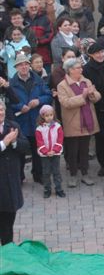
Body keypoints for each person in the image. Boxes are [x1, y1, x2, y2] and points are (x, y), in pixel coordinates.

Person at [57, 58, 101, 187]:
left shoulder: (86, 81)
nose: (81, 70)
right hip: (72, 122)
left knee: (84, 149)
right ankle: (72, 175)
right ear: (70, 70)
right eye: (78, 68)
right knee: (72, 150)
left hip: (87, 120)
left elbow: (97, 97)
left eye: (81, 67)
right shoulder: (62, 85)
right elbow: (66, 103)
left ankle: (85, 173)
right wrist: (83, 97)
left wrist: (92, 94)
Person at [10, 54, 52, 184]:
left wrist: (38, 101)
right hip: (20, 123)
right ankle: (20, 177)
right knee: (20, 152)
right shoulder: (11, 83)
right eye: (20, 65)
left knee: (37, 150)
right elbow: (7, 102)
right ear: (16, 67)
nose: (24, 67)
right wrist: (19, 106)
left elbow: (48, 95)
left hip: (36, 120)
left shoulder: (38, 80)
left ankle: (38, 175)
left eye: (26, 64)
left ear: (29, 65)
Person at [82, 42, 104, 184]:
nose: (100, 55)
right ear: (91, 55)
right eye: (97, 53)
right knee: (100, 137)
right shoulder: (87, 69)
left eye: (102, 51)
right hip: (97, 105)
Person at [0, 101, 30, 245]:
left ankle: (7, 253)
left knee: (8, 225)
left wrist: (14, 142)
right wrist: (4, 143)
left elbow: (26, 147)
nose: (0, 113)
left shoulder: (13, 126)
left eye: (1, 109)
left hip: (10, 183)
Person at [35, 104, 65, 198]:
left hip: (55, 153)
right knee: (46, 172)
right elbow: (39, 142)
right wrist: (46, 151)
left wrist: (54, 150)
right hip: (45, 155)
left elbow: (60, 139)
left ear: (53, 115)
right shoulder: (39, 129)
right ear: (42, 116)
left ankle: (59, 189)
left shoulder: (57, 126)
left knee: (56, 171)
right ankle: (47, 189)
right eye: (47, 115)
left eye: (51, 115)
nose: (49, 117)